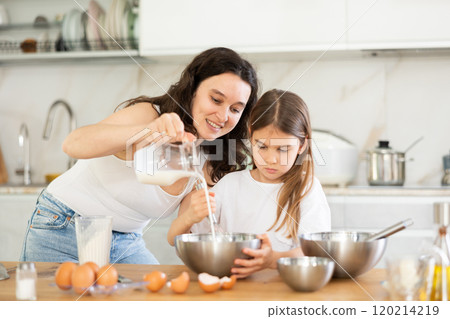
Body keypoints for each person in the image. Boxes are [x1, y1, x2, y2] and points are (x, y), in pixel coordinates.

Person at [20, 47, 259, 264]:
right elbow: (73, 144)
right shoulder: (149, 116)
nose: (223, 115)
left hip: (125, 242)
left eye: (236, 109)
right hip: (64, 225)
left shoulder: (211, 159)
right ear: (193, 90)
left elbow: (181, 236)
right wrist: (149, 132)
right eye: (216, 100)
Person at [167, 89, 331, 277]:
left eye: (283, 149)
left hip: (286, 290)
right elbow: (173, 239)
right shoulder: (230, 185)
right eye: (262, 146)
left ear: (302, 146)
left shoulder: (307, 188)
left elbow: (316, 251)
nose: (271, 159)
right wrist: (188, 218)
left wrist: (272, 260)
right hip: (236, 289)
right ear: (251, 136)